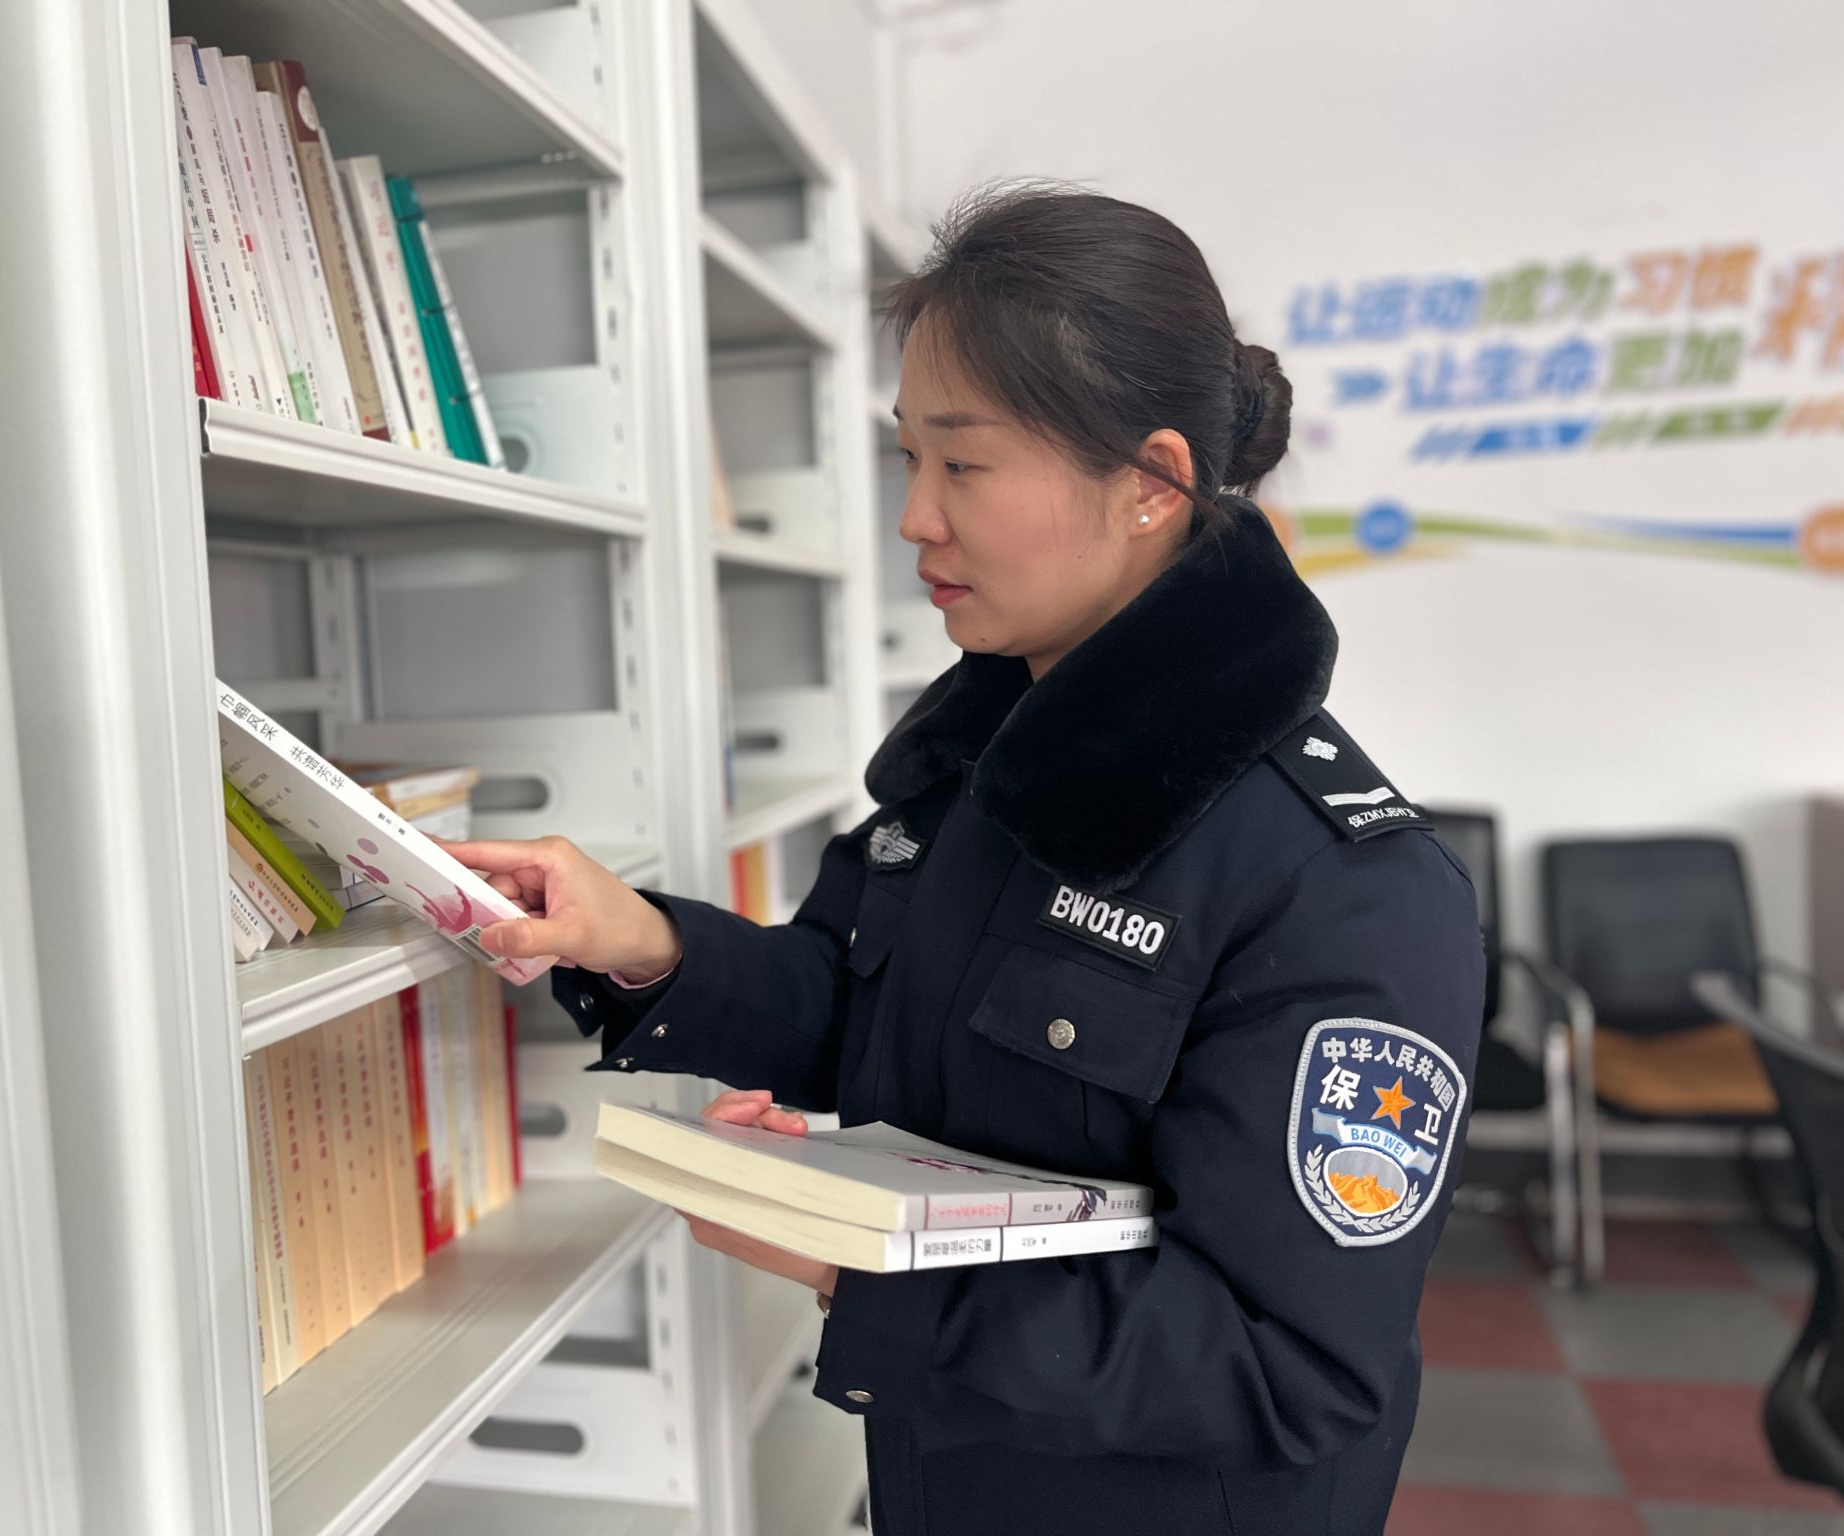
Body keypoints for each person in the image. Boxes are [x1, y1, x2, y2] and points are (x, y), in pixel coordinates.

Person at [449, 184, 1485, 1536]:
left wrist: (856, 1270)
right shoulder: (983, 770)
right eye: (906, 460)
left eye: (964, 465)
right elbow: (863, 1012)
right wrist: (642, 941)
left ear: (1150, 483)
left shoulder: (1343, 885)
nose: (914, 520)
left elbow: (1285, 1364)